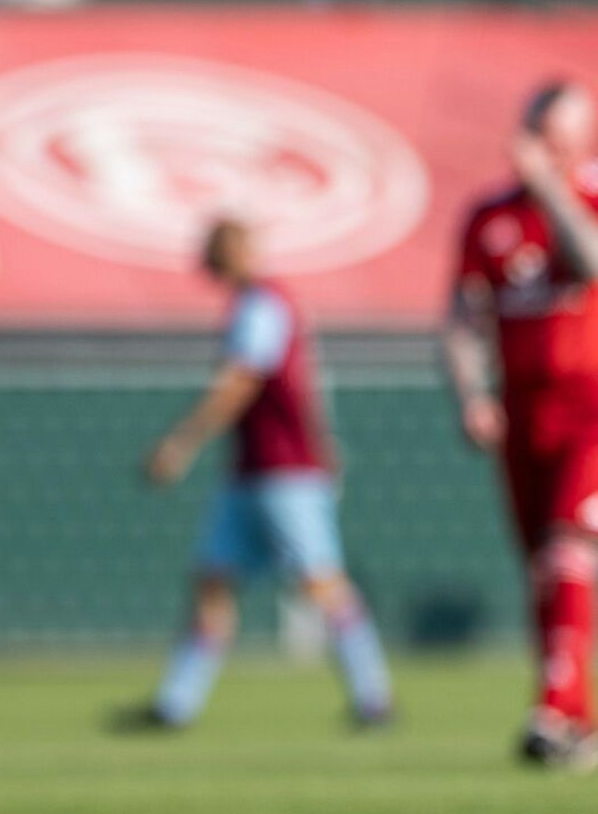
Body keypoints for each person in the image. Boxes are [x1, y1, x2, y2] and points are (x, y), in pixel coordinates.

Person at [123, 218, 393, 729]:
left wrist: (182, 441)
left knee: (320, 580)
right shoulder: (256, 303)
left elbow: (241, 381)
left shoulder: (263, 305)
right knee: (213, 581)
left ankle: (373, 695)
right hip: (249, 471)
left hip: (286, 469)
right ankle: (175, 704)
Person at [445, 81, 598, 769]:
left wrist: (551, 190)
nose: (553, 150)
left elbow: (589, 262)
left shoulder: (586, 198)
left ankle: (551, 707)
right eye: (544, 136)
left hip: (590, 408)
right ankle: (575, 724)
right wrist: (472, 393)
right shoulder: (489, 217)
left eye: (566, 139)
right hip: (524, 414)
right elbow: (462, 315)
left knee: (569, 545)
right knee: (542, 565)